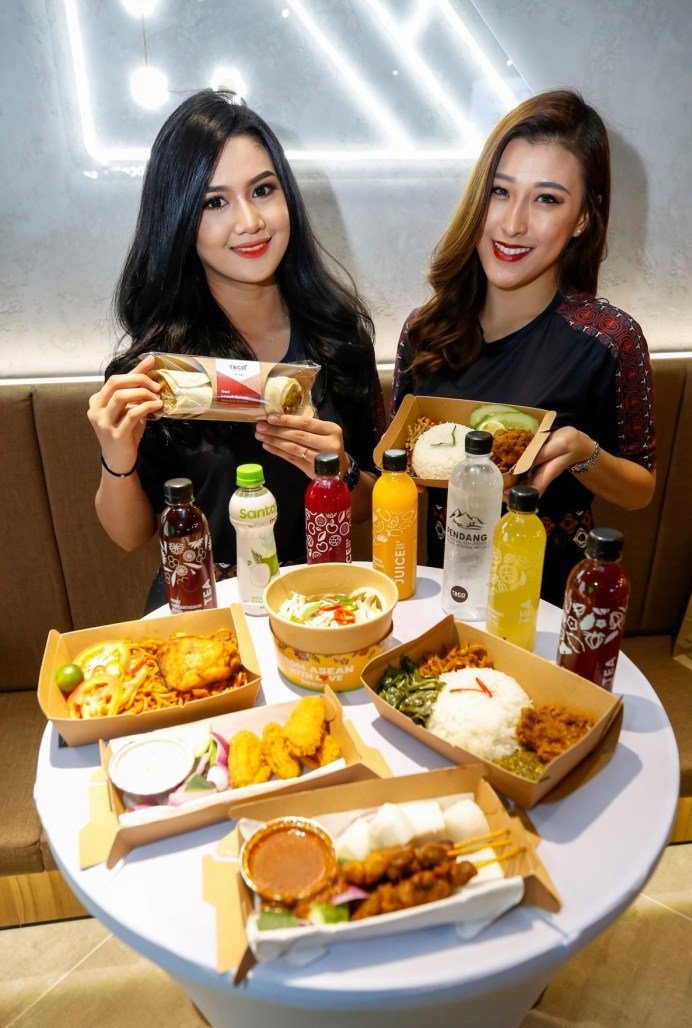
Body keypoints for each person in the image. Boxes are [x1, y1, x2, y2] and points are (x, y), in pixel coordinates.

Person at [88, 89, 385, 611]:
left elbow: (369, 505)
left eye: (263, 190)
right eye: (215, 202)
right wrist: (117, 459)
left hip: (319, 604)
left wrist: (339, 468)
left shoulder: (338, 338)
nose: (249, 221)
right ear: (179, 220)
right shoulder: (157, 370)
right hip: (203, 608)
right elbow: (129, 536)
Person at [391, 88, 655, 606]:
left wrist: (584, 454)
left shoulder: (609, 338)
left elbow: (640, 488)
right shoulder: (425, 331)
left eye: (547, 199)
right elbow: (396, 473)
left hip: (548, 611)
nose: (512, 224)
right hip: (443, 601)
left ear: (583, 218)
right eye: (500, 191)